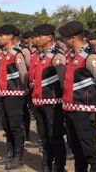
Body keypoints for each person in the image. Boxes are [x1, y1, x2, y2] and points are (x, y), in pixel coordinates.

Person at [59, 21, 96, 172]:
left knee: (89, 148)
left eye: (65, 39)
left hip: (84, 110)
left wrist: (94, 96)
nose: (64, 42)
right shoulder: (70, 56)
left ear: (73, 38)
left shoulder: (89, 57)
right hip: (69, 108)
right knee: (76, 147)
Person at [0, 24, 27, 170]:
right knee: (6, 125)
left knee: (15, 127)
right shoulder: (4, 54)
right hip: (4, 94)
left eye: (2, 35)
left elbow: (23, 75)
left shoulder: (17, 54)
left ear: (11, 37)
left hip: (15, 94)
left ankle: (18, 157)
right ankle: (10, 153)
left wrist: (23, 92)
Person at [32, 24, 66, 172]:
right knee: (44, 136)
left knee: (55, 136)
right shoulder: (41, 55)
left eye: (40, 36)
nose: (37, 39)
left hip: (54, 104)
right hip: (40, 102)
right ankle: (46, 164)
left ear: (49, 37)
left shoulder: (57, 56)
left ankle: (59, 166)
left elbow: (64, 80)